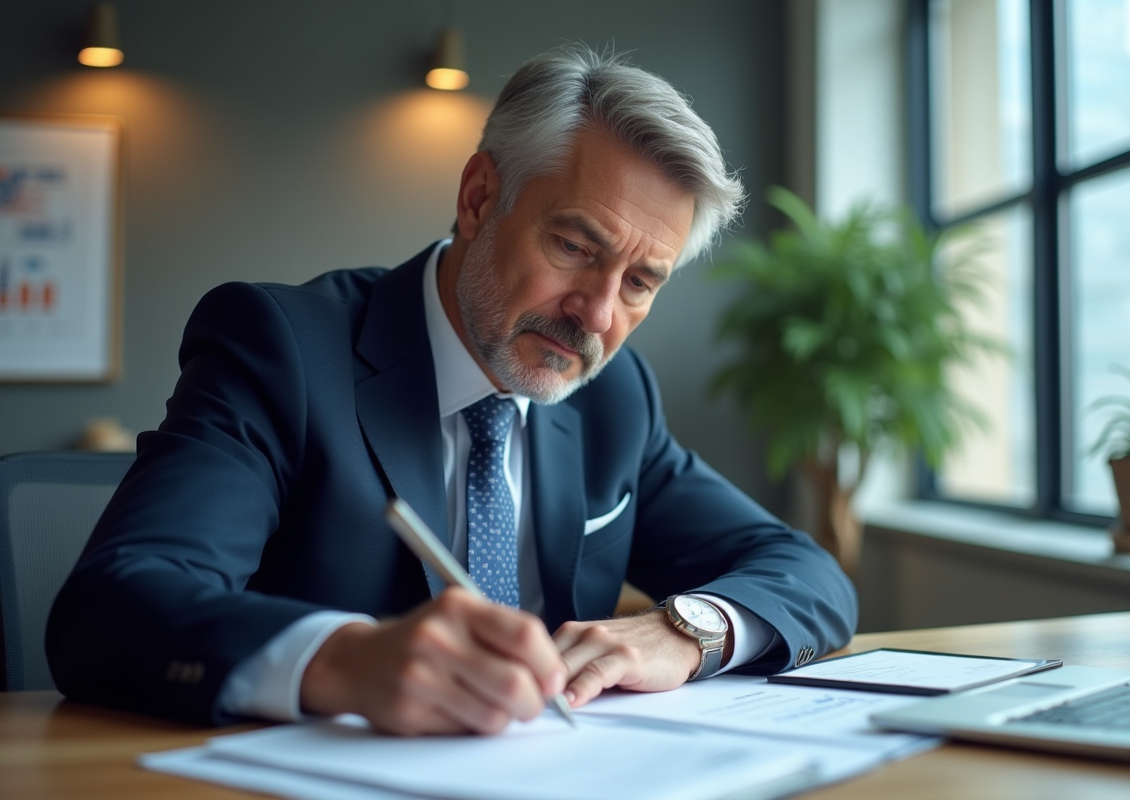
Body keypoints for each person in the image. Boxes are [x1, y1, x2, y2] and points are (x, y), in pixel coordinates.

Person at [46, 45, 857, 735]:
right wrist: (344, 659)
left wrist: (687, 631)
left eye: (641, 282)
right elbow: (110, 607)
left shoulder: (614, 398)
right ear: (478, 198)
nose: (598, 315)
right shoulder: (281, 349)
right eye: (575, 247)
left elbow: (804, 571)